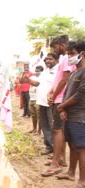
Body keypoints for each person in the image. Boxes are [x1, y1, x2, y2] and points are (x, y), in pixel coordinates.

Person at [42, 35, 74, 177]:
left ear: (61, 45)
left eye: (54, 47)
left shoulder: (67, 58)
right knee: (61, 130)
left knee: (57, 130)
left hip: (61, 99)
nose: (54, 50)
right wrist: (51, 90)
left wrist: (54, 96)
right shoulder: (64, 58)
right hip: (59, 97)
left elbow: (65, 79)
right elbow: (59, 79)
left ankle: (55, 164)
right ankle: (61, 159)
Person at [56, 40, 85, 188]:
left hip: (80, 115)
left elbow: (80, 95)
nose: (69, 57)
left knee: (81, 148)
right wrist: (63, 109)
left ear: (82, 54)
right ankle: (71, 173)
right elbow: (68, 93)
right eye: (67, 54)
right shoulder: (74, 72)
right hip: (70, 114)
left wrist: (61, 106)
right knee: (73, 146)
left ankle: (83, 182)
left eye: (71, 54)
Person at [30, 53, 59, 155]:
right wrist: (27, 79)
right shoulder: (45, 71)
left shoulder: (58, 71)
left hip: (52, 103)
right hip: (41, 102)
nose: (47, 61)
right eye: (46, 59)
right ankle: (49, 146)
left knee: (53, 127)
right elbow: (37, 83)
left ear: (56, 59)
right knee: (44, 125)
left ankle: (56, 150)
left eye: (50, 59)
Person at [27, 65, 43, 134]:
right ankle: (34, 129)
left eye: (38, 71)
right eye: (36, 71)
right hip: (31, 98)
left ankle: (39, 131)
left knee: (39, 116)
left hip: (38, 99)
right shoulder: (32, 77)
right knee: (33, 115)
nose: (36, 72)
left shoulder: (43, 78)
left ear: (42, 71)